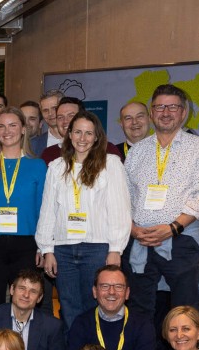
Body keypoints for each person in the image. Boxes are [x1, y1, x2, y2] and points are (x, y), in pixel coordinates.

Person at [124, 84, 199, 319]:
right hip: (142, 242)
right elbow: (125, 198)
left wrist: (172, 228)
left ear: (183, 113)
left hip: (181, 241)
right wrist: (134, 230)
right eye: (159, 107)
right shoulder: (137, 151)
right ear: (152, 113)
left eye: (172, 107)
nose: (165, 112)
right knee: (140, 313)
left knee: (184, 313)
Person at [36, 111, 131, 327]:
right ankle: (74, 349)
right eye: (77, 132)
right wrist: (47, 249)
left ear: (97, 137)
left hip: (97, 248)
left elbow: (119, 209)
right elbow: (48, 211)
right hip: (63, 249)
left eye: (89, 133)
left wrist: (116, 249)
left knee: (95, 307)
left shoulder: (110, 164)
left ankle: (96, 349)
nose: (82, 138)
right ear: (69, 134)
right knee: (68, 307)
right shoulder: (57, 167)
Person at [0, 106, 45, 312]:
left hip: (26, 244)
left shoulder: (38, 166)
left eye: (13, 125)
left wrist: (43, 246)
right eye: (1, 126)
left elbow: (42, 210)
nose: (6, 131)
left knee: (25, 302)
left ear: (23, 129)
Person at [63, 265, 158, 350]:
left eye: (118, 287)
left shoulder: (142, 324)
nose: (111, 292)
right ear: (95, 291)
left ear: (127, 293)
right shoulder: (81, 323)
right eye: (105, 286)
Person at [37, 97, 81, 164]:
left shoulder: (95, 150)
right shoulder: (48, 153)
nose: (65, 121)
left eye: (71, 116)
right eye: (60, 117)